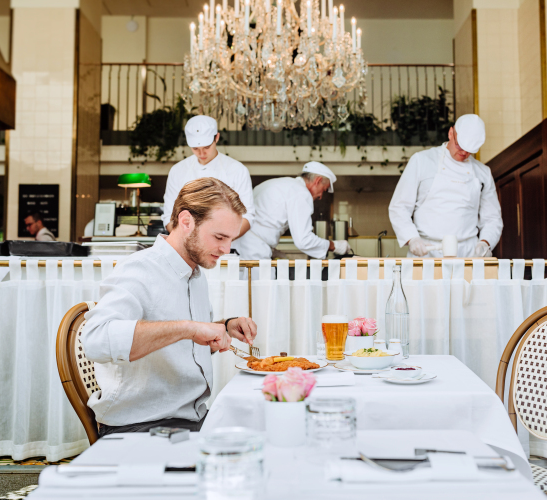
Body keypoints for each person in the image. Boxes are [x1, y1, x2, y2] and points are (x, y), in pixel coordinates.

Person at [83, 178, 258, 436]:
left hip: (189, 419)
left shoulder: (195, 274)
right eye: (219, 237)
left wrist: (225, 327)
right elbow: (95, 340)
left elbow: (186, 344)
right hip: (142, 426)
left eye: (231, 239)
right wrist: (189, 329)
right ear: (186, 221)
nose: (226, 249)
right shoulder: (140, 268)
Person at [388, 114, 503, 258]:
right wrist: (412, 238)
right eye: (460, 145)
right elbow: (399, 207)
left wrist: (485, 243)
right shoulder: (421, 161)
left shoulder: (483, 173)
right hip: (427, 251)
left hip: (468, 254)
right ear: (451, 133)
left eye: (470, 150)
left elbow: (492, 219)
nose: (464, 152)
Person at [162, 115, 255, 249]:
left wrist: (220, 240)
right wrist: (191, 242)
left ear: (216, 137)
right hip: (189, 250)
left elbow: (247, 217)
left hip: (227, 250)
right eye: (195, 148)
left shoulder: (237, 170)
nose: (201, 153)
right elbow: (169, 218)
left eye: (206, 147)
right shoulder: (178, 171)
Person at [236, 162, 350, 260]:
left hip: (240, 244)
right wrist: (334, 246)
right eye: (323, 190)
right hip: (253, 249)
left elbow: (262, 222)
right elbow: (304, 240)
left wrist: (272, 251)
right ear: (317, 181)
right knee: (259, 280)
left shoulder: (282, 184)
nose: (321, 196)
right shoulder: (301, 193)